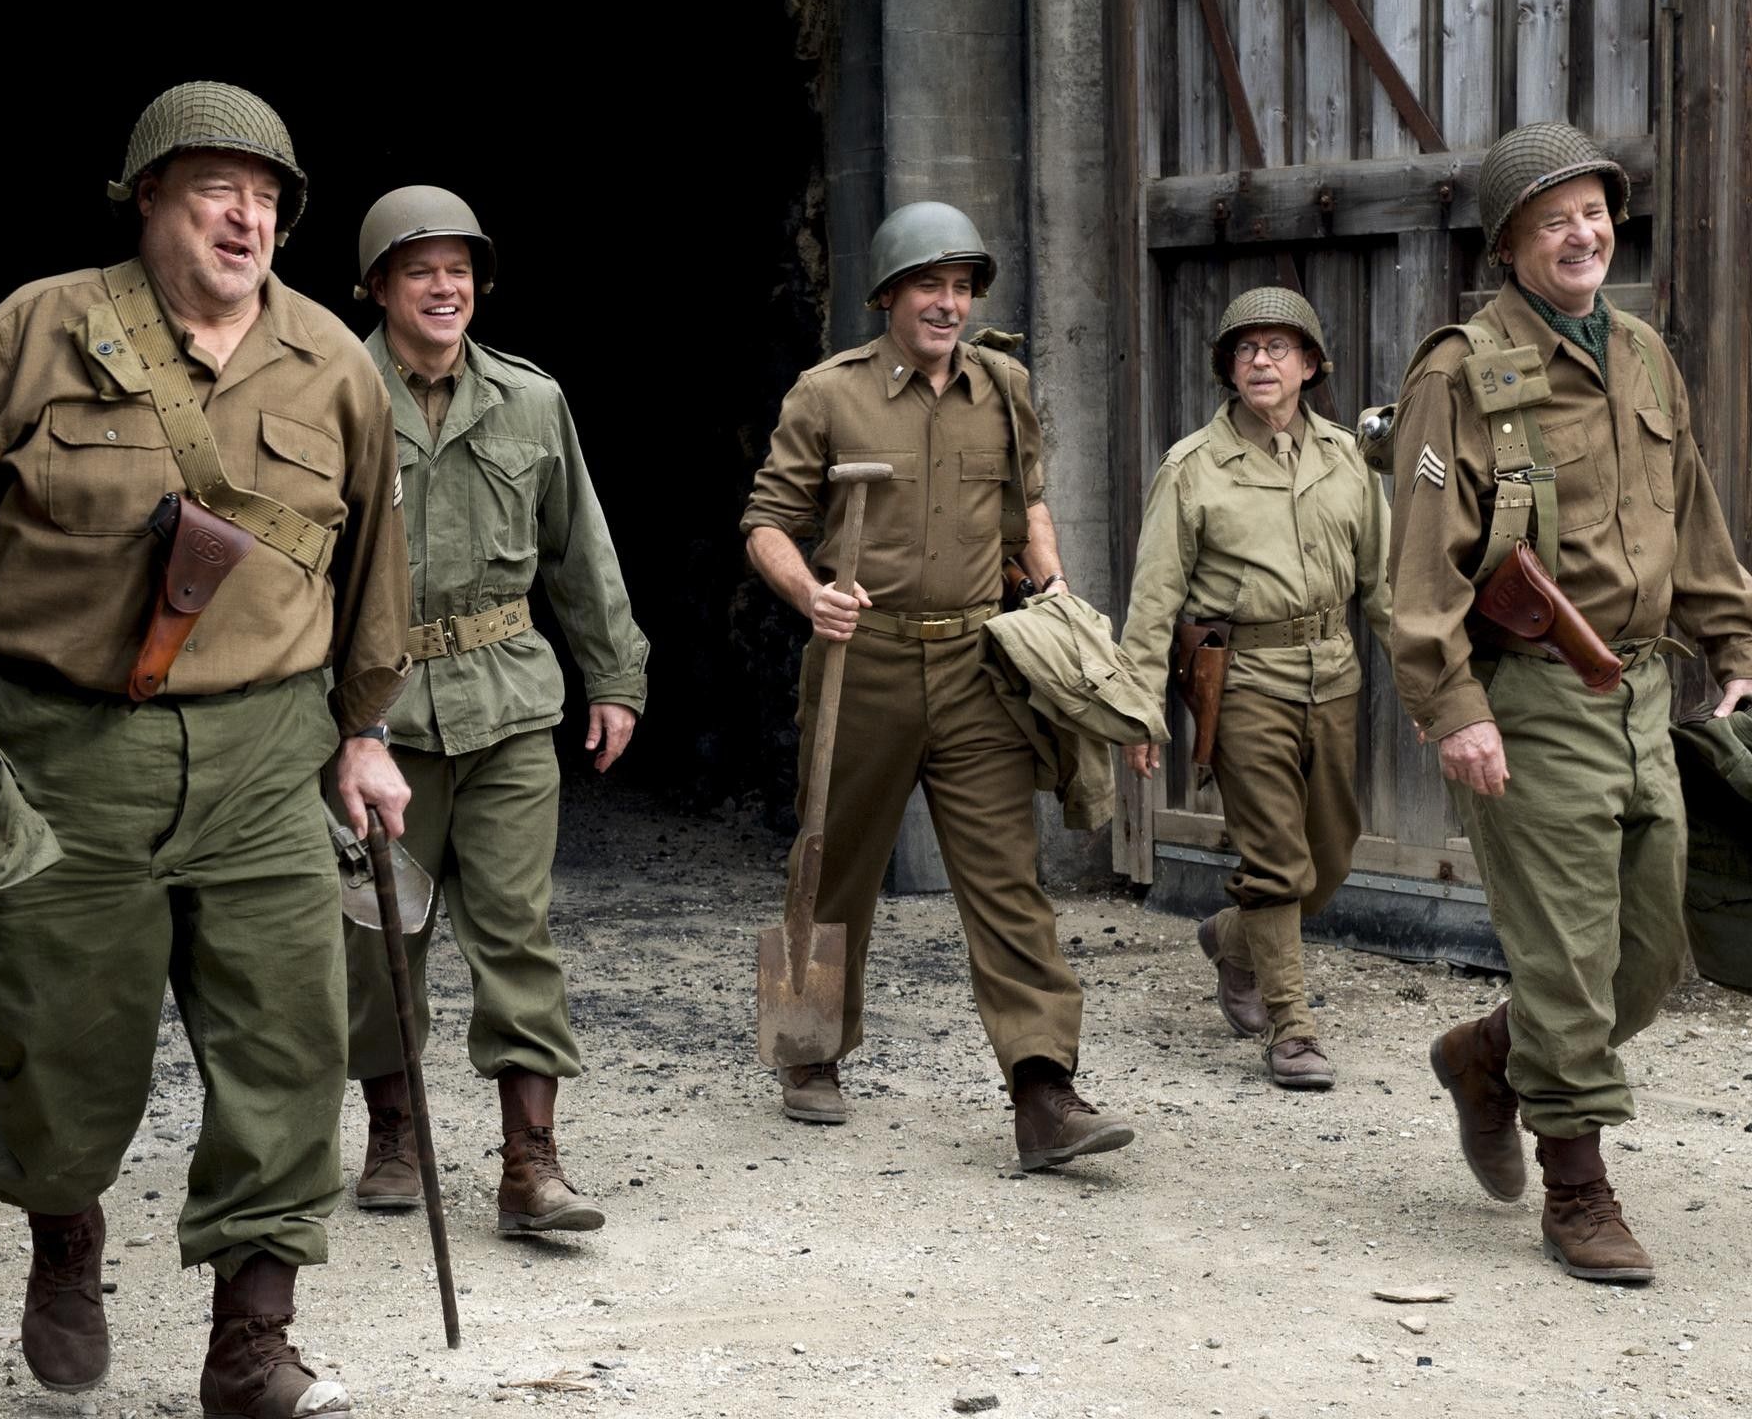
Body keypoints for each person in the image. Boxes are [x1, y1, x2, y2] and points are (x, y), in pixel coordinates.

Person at [0, 81, 411, 1417]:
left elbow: (381, 565)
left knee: (288, 1041)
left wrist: (364, 735)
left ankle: (252, 1345)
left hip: (267, 754)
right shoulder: (36, 331)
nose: (246, 214)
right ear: (148, 198)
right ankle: (63, 1227)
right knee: (58, 1048)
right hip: (60, 756)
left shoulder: (335, 363)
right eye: (217, 187)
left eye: (268, 197)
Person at [1389, 121, 1751, 1283]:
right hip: (1535, 699)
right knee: (1563, 955)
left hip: (1646, 693)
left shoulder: (1641, 352)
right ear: (1510, 243)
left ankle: (1489, 1057)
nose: (1583, 234)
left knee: (1647, 960)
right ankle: (1579, 1189)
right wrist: (1457, 710)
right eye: (1555, 220)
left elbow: (1687, 515)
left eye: (1594, 213)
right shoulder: (1463, 373)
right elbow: (1423, 567)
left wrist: (1733, 642)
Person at [740, 200, 1134, 1173]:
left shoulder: (1004, 387)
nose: (948, 304)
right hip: (859, 663)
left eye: (961, 288)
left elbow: (1028, 504)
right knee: (835, 866)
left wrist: (1050, 593)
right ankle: (806, 1051)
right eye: (929, 286)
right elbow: (767, 525)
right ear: (887, 296)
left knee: (1007, 879)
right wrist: (811, 594)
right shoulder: (828, 396)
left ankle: (1044, 1089)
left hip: (973, 665)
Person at [341, 186, 647, 1235]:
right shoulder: (330, 396)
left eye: (459, 268)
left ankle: (531, 1164)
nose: (444, 285)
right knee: (381, 935)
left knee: (516, 929)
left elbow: (580, 550)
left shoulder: (528, 402)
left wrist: (615, 677)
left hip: (510, 702)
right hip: (379, 718)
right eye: (419, 268)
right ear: (379, 284)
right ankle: (393, 1128)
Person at [1119, 288, 1392, 1091]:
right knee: (1276, 859)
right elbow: (1154, 599)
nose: (1261, 361)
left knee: (1330, 857)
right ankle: (1294, 1027)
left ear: (1310, 366)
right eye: (1245, 350)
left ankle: (1232, 937)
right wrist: (1138, 707)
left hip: (1333, 673)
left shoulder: (1348, 457)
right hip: (1242, 682)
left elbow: (1382, 587)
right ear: (1228, 371)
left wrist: (1435, 694)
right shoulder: (1192, 469)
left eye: (1279, 347)